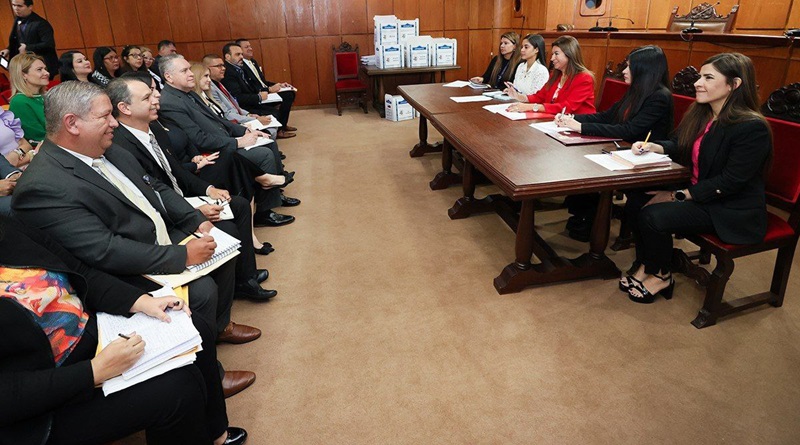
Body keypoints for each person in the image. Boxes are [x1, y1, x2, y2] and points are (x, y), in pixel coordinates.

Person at [11, 82, 261, 397]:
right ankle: (209, 376)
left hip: (156, 234)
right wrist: (182, 256)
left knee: (223, 246)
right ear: (72, 123)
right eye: (105, 116)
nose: (115, 123)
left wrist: (193, 220)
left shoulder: (108, 148)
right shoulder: (43, 186)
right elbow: (103, 250)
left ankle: (217, 330)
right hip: (117, 269)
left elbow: (156, 187)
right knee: (201, 292)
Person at [0, 216, 248, 445]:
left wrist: (142, 301)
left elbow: (80, 272)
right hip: (42, 399)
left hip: (91, 333)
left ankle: (216, 434)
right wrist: (94, 371)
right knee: (177, 388)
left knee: (193, 327)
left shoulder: (8, 227)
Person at [107, 75, 277, 300]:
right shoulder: (119, 145)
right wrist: (193, 210)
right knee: (227, 227)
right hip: (166, 212)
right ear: (125, 108)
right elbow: (150, 194)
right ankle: (238, 284)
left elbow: (177, 172)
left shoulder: (154, 129)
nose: (156, 98)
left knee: (239, 205)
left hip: (182, 197)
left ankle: (246, 277)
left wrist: (208, 189)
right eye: (147, 97)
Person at [621, 53, 772, 303]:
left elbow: (731, 182)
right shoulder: (702, 112)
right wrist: (655, 147)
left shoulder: (751, 127)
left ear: (734, 84)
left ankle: (661, 275)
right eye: (700, 76)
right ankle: (647, 264)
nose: (697, 83)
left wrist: (676, 195)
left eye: (708, 78)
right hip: (701, 192)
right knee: (638, 199)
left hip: (728, 207)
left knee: (653, 215)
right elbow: (682, 144)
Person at [158, 55, 296, 226]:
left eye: (189, 69)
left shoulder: (188, 93)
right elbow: (198, 139)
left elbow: (219, 120)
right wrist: (238, 142)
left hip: (224, 139)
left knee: (267, 141)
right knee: (264, 154)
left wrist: (246, 130)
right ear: (169, 76)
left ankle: (275, 196)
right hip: (210, 152)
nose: (191, 73)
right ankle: (264, 213)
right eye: (184, 70)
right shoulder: (170, 102)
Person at [555, 45, 674, 241]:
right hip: (623, 150)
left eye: (629, 67)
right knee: (579, 163)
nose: (624, 71)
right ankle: (584, 217)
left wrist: (581, 128)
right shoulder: (636, 90)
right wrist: (571, 118)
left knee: (586, 170)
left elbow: (629, 130)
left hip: (644, 160)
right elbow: (606, 116)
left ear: (643, 70)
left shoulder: (660, 96)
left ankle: (591, 221)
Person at [505, 35, 595, 115]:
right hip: (554, 121)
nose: (552, 58)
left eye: (556, 54)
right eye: (552, 54)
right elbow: (539, 97)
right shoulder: (555, 75)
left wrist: (532, 107)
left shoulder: (584, 78)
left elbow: (566, 107)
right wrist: (518, 96)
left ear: (570, 54)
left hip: (578, 123)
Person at [222, 42, 295, 139]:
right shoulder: (229, 72)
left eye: (241, 54)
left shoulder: (242, 66)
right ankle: (276, 131)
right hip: (245, 105)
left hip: (256, 96)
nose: (241, 57)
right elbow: (237, 97)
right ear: (227, 57)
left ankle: (281, 127)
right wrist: (262, 95)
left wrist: (271, 88)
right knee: (275, 111)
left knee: (288, 94)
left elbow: (259, 82)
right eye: (238, 54)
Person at [203, 53, 277, 137]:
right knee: (270, 130)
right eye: (218, 66)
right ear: (207, 68)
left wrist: (248, 114)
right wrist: (254, 119)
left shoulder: (219, 83)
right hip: (232, 123)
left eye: (223, 65)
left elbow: (234, 105)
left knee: (272, 124)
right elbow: (227, 114)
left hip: (239, 116)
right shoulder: (210, 88)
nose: (223, 68)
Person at [0, 0, 58, 75]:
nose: (16, 8)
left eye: (20, 6)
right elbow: (18, 38)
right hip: (28, 64)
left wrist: (27, 48)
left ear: (30, 7)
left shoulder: (41, 24)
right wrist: (8, 49)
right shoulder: (17, 19)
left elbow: (49, 44)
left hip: (43, 65)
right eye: (13, 5)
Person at [8, 52, 48, 143]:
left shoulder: (44, 96)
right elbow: (37, 136)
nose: (47, 73)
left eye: (45, 69)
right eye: (39, 69)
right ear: (23, 75)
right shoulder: (19, 102)